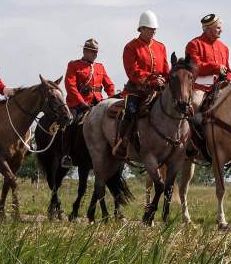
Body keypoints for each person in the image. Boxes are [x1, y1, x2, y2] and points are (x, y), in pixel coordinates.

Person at [113, 10, 169, 157]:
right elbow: (132, 71)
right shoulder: (131, 47)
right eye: (150, 29)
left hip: (159, 89)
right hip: (137, 90)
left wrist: (166, 79)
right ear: (142, 29)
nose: (153, 32)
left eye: (155, 29)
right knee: (130, 112)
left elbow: (165, 69)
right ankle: (122, 142)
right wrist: (151, 80)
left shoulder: (161, 47)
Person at [184, 13, 231, 108]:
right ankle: (189, 123)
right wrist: (216, 67)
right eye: (218, 28)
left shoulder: (224, 48)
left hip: (222, 85)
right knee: (195, 102)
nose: (221, 30)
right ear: (209, 30)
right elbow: (195, 67)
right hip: (200, 85)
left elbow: (228, 69)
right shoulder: (194, 44)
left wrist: (230, 79)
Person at [64, 38, 115, 118]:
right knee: (70, 124)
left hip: (98, 103)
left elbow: (109, 85)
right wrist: (81, 102)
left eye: (96, 52)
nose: (95, 54)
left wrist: (113, 99)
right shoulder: (74, 65)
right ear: (85, 51)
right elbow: (70, 86)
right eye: (93, 51)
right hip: (78, 105)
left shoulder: (100, 67)